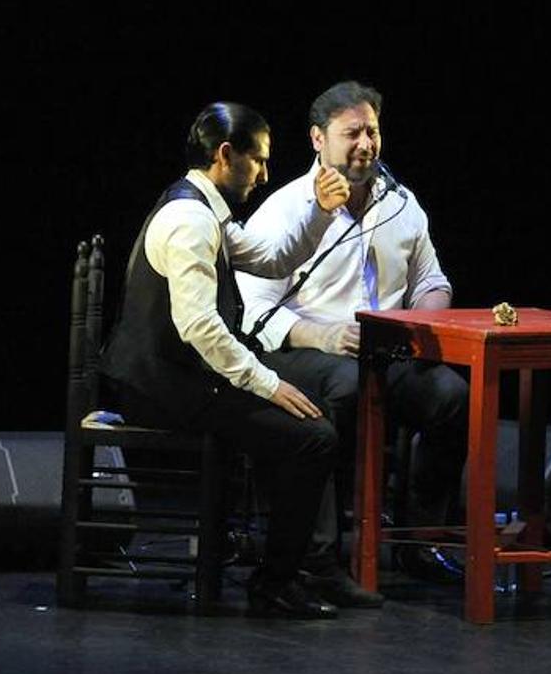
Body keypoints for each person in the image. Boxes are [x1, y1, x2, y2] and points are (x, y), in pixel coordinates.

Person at [101, 101, 351, 619]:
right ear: (225, 155)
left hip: (185, 377)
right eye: (257, 160)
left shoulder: (206, 210)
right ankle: (276, 581)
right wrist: (265, 384)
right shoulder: (190, 219)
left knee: (309, 410)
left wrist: (320, 213)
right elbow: (200, 328)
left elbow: (269, 257)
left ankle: (288, 565)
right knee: (313, 437)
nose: (263, 174)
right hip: (162, 388)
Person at [237, 81, 469, 606]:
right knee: (339, 390)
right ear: (318, 139)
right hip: (304, 349)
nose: (365, 143)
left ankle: (421, 541)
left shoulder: (401, 204)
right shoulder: (285, 208)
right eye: (352, 134)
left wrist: (417, 327)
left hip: (383, 351)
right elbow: (252, 308)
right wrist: (319, 333)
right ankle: (319, 559)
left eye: (373, 131)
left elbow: (433, 281)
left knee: (453, 398)